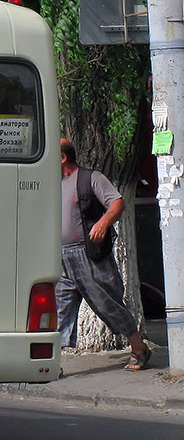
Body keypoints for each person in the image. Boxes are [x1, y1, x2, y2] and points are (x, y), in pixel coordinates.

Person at [57, 138, 150, 370]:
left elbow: (117, 203)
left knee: (107, 304)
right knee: (60, 309)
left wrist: (103, 223)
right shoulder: (52, 183)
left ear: (62, 157)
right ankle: (53, 362)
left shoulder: (91, 178)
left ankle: (139, 348)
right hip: (61, 256)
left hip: (88, 255)